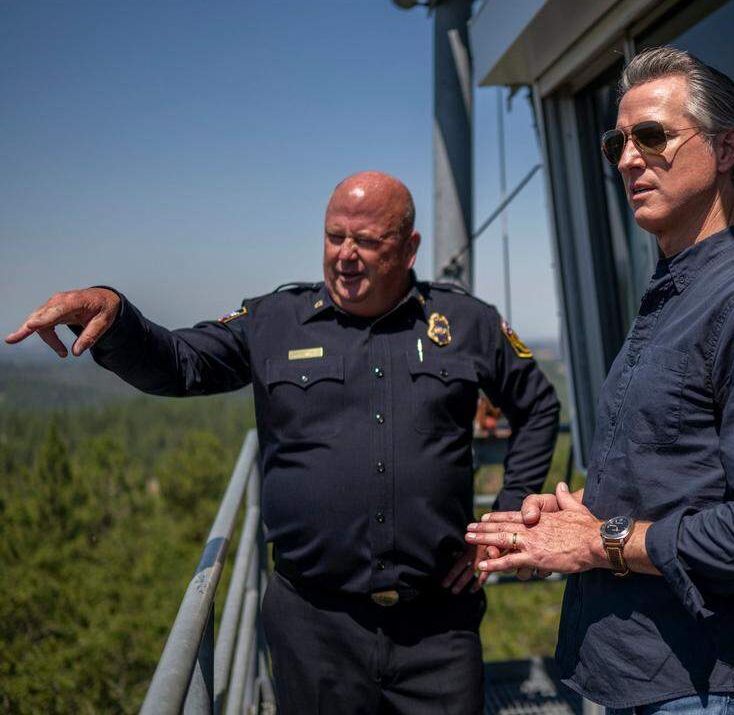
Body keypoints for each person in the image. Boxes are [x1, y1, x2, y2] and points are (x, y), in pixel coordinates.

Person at [4, 171, 561, 714]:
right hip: (314, 628)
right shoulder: (276, 320)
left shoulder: (465, 321)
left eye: (367, 241)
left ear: (409, 247)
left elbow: (537, 405)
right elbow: (182, 364)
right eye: (334, 235)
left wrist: (507, 517)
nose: (345, 254)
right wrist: (115, 313)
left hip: (438, 623)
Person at [465, 46, 734, 713]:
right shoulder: (678, 292)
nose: (628, 159)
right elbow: (681, 469)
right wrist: (578, 515)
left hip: (703, 683)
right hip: (639, 670)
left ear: (726, 149)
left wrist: (600, 541)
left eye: (653, 136)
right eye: (619, 141)